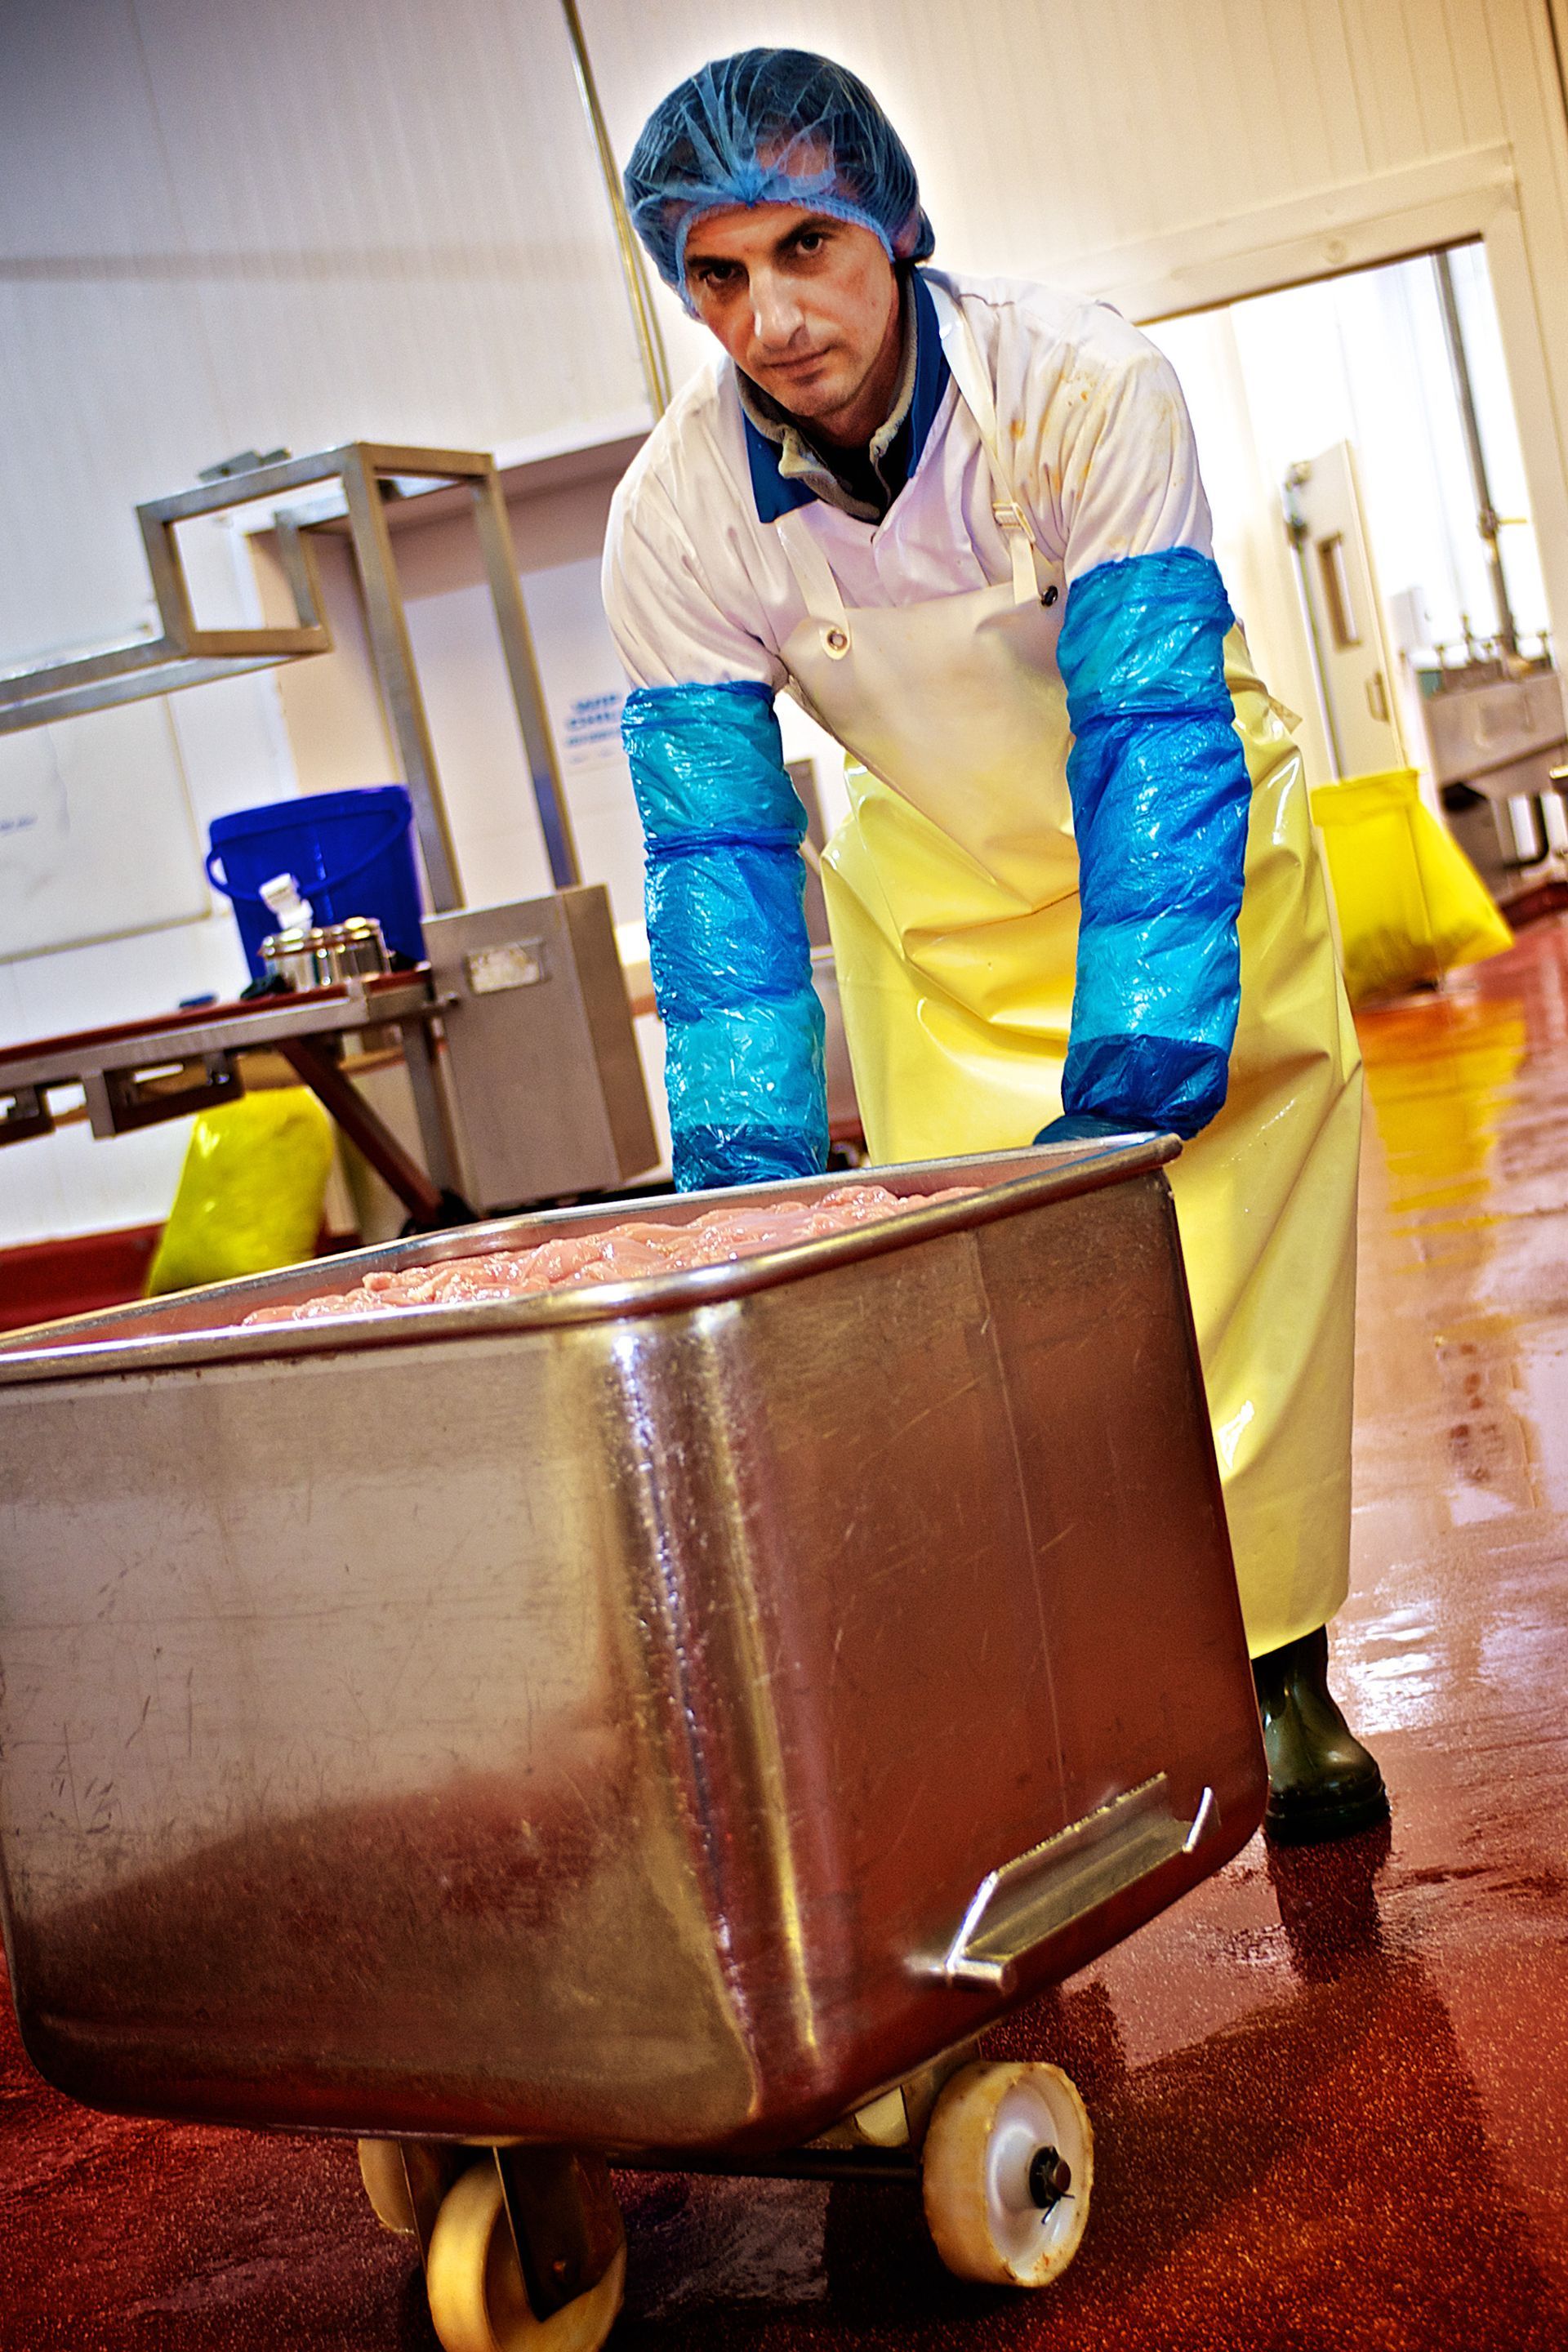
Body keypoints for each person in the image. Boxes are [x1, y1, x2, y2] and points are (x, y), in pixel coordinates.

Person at [603, 47, 1387, 1845]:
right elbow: (719, 871)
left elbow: (1149, 733)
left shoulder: (1081, 390)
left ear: (893, 222)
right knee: (960, 1335)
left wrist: (1141, 1066)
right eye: (717, 276)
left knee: (1230, 1286)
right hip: (939, 907)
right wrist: (747, 1189)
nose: (772, 316)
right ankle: (1038, 1710)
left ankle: (1284, 1682)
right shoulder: (673, 518)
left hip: (1183, 861)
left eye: (809, 247)